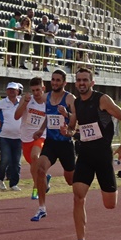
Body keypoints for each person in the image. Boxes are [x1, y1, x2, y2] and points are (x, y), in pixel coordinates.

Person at [64, 68, 121, 240]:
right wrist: (68, 131)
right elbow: (73, 128)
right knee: (78, 196)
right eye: (78, 80)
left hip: (102, 156)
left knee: (110, 204)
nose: (81, 83)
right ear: (75, 83)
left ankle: (110, 188)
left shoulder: (102, 99)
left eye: (85, 80)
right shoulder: (77, 103)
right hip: (84, 155)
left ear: (92, 83)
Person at [30, 70, 77, 222]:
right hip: (51, 142)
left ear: (64, 83)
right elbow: (48, 117)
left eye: (58, 80)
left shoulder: (70, 98)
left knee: (70, 180)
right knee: (40, 168)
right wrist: (41, 130)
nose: (55, 83)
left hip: (65, 143)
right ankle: (41, 208)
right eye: (53, 80)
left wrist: (67, 115)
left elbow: (76, 121)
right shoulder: (47, 97)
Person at [15, 77, 50, 200]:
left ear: (43, 88)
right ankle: (44, 178)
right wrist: (24, 102)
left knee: (35, 157)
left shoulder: (48, 101)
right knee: (33, 166)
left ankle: (36, 187)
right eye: (33, 90)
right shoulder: (26, 100)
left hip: (41, 136)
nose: (36, 93)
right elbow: (16, 116)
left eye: (38, 90)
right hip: (26, 138)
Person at [0, 82, 23, 191]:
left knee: (16, 162)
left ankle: (14, 183)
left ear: (17, 91)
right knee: (5, 159)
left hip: (19, 137)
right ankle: (0, 179)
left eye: (13, 89)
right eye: (9, 89)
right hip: (5, 136)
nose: (11, 91)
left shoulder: (22, 103)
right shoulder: (2, 103)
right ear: (6, 91)